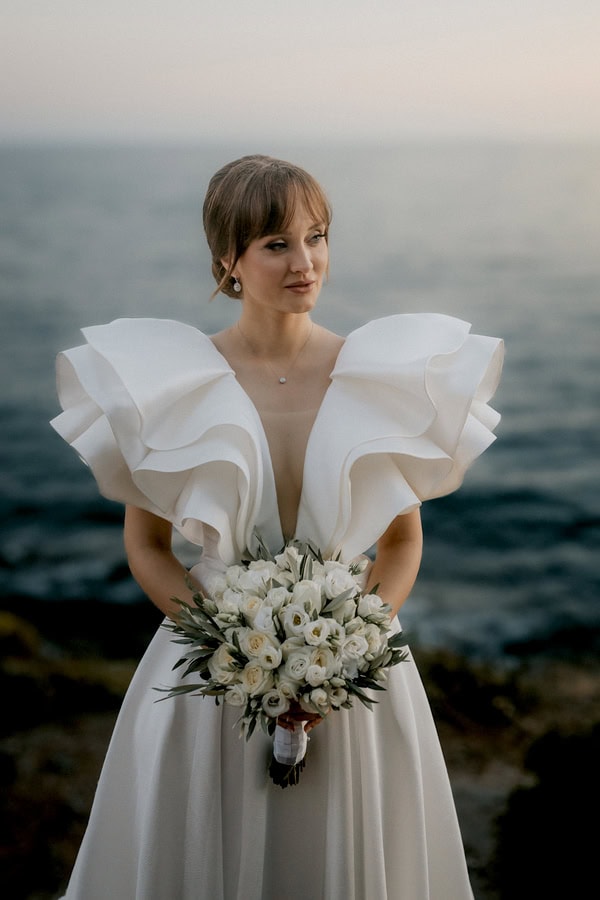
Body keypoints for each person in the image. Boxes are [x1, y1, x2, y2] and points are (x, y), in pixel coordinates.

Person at [51, 154, 503, 899]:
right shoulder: (175, 384)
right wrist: (236, 651)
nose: (307, 263)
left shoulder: (379, 375)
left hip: (354, 679)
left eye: (318, 237)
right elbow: (147, 545)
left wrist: (342, 658)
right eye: (276, 244)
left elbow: (400, 542)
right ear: (227, 259)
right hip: (211, 678)